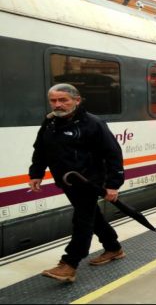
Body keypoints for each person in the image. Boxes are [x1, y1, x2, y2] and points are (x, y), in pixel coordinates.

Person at [29, 83, 125, 283]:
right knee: (92, 216)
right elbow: (41, 149)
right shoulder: (50, 123)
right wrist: (36, 173)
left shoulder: (93, 123)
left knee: (82, 220)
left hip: (89, 181)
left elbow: (113, 154)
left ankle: (70, 264)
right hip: (68, 182)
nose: (58, 104)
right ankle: (114, 248)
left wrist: (113, 184)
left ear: (77, 100)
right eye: (53, 100)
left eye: (63, 100)